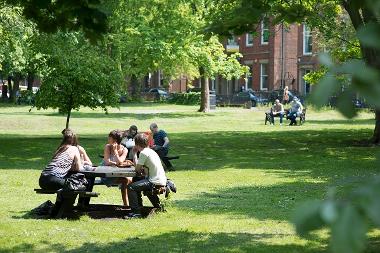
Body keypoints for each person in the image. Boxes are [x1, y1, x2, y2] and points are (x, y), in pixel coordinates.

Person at [126, 133, 167, 218]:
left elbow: (137, 169)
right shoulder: (151, 151)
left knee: (131, 187)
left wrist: (134, 154)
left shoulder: (143, 153)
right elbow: (142, 170)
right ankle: (158, 208)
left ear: (136, 144)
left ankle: (136, 213)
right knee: (136, 181)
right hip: (161, 179)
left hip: (154, 181)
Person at [102, 130, 133, 206]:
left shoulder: (124, 149)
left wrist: (115, 151)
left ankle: (130, 204)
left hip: (118, 173)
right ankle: (126, 204)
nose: (108, 139)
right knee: (126, 180)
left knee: (129, 180)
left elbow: (121, 161)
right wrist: (117, 163)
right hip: (106, 175)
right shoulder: (107, 147)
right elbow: (107, 162)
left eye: (109, 138)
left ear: (115, 140)